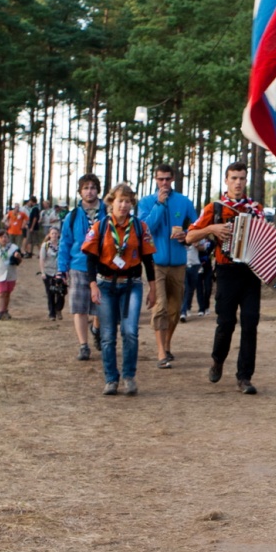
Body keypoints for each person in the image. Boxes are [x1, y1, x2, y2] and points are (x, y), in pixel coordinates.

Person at [186, 161, 263, 394]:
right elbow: (189, 236)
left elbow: (266, 240)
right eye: (234, 178)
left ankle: (244, 377)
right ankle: (218, 359)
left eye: (242, 178)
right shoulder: (215, 208)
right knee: (226, 322)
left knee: (250, 323)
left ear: (246, 180)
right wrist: (212, 229)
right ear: (226, 181)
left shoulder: (255, 209)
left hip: (251, 272)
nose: (238, 182)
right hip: (226, 270)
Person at [85, 183, 156, 395]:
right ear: (111, 202)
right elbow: (90, 259)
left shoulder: (140, 227)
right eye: (120, 201)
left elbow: (148, 259)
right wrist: (92, 286)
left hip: (131, 284)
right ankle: (111, 379)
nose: (123, 205)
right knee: (107, 335)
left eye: (127, 201)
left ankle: (128, 376)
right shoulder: (100, 226)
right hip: (105, 284)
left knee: (130, 332)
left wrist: (153, 288)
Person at [138, 163, 199, 369]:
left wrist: (187, 237)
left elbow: (197, 225)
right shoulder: (147, 202)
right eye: (160, 179)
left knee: (174, 309)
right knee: (161, 307)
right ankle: (161, 352)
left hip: (179, 263)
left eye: (167, 179)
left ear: (173, 179)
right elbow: (145, 228)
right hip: (156, 262)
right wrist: (159, 204)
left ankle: (167, 343)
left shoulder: (184, 201)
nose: (164, 183)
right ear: (155, 180)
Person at [56, 174, 105, 361]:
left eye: (93, 187)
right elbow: (65, 243)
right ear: (80, 191)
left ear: (98, 190)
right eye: (85, 188)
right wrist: (62, 269)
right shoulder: (73, 216)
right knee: (79, 308)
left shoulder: (107, 212)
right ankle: (83, 345)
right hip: (78, 265)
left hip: (103, 266)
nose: (89, 191)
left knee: (101, 306)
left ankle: (97, 329)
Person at [180, 238, 212, 321]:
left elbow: (204, 248)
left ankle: (189, 307)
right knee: (186, 289)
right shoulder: (180, 238)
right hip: (184, 266)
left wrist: (196, 244)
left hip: (195, 266)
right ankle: (183, 312)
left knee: (191, 289)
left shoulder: (196, 237)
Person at [39, 225, 66, 321]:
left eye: (56, 233)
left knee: (61, 292)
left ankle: (58, 308)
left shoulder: (62, 245)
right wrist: (42, 272)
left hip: (60, 271)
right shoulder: (45, 246)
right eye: (52, 233)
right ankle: (52, 313)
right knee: (50, 292)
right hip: (48, 271)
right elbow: (42, 259)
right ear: (49, 235)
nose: (54, 235)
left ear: (58, 234)